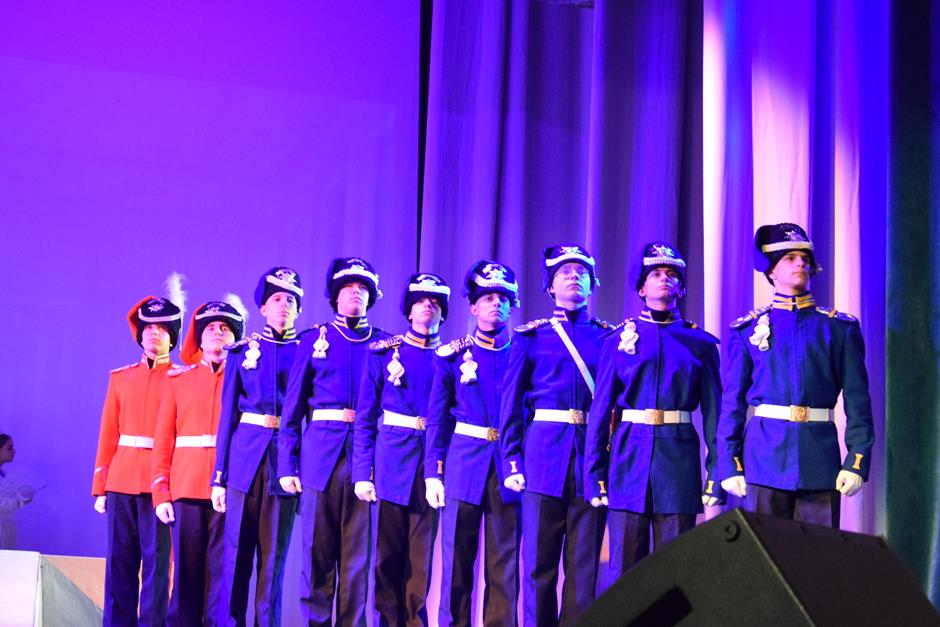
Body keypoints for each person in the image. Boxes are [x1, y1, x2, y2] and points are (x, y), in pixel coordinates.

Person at [717, 223, 874, 527]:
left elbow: (858, 403)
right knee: (763, 551)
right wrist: (729, 462)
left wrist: (857, 460)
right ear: (771, 270)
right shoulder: (747, 330)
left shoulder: (838, 328)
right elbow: (732, 403)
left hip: (820, 460)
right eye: (789, 258)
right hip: (764, 460)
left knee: (817, 553)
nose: (800, 263)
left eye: (804, 258)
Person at [584, 242, 724, 582]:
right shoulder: (617, 341)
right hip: (627, 460)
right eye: (656, 274)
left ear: (682, 288)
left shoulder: (701, 344)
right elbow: (600, 413)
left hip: (678, 464)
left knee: (677, 570)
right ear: (641, 288)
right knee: (624, 571)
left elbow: (715, 416)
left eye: (672, 274)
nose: (664, 279)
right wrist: (594, 475)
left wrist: (717, 473)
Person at [499, 244, 611, 627]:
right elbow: (511, 406)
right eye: (564, 272)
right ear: (550, 286)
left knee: (584, 570)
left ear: (593, 283)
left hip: (591, 461)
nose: (573, 277)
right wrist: (511, 460)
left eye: (581, 272)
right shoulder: (530, 338)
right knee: (538, 567)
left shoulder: (609, 338)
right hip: (542, 458)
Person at [278, 257, 389, 626]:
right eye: (348, 287)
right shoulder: (314, 340)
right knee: (316, 557)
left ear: (371, 297)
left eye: (362, 288)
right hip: (319, 458)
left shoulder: (384, 344)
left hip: (365, 460)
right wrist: (288, 464)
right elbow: (292, 409)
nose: (355, 292)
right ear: (335, 296)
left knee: (357, 562)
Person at [425, 260, 522, 627]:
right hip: (464, 463)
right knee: (456, 564)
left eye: (503, 298)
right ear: (473, 307)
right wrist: (433, 473)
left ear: (512, 306)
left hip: (508, 466)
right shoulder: (452, 356)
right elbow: (438, 419)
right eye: (488, 298)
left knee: (504, 567)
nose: (496, 304)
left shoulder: (522, 353)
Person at [352, 272, 450, 627]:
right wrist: (362, 473)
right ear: (408, 311)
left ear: (443, 314)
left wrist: (439, 470)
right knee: (386, 558)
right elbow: (365, 417)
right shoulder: (385, 354)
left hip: (432, 465)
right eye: (420, 301)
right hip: (391, 462)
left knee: (421, 562)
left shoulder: (452, 358)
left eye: (435, 303)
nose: (427, 307)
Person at [211, 267, 305, 626]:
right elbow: (227, 417)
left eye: (291, 300)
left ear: (298, 310)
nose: (284, 305)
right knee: (235, 559)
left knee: (273, 564)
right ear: (263, 308)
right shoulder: (242, 351)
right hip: (243, 463)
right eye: (277, 298)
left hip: (285, 465)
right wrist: (219, 476)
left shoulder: (307, 351)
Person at [152, 299, 246, 626]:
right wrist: (161, 492)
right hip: (187, 486)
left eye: (226, 329)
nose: (218, 333)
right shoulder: (178, 381)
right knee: (186, 576)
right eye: (211, 328)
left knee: (223, 576)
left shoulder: (245, 381)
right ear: (199, 339)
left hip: (229, 488)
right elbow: (164, 440)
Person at [92, 294, 183, 626]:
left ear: (172, 336)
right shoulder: (120, 378)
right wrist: (100, 486)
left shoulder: (182, 378)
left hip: (160, 485)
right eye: (148, 328)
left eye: (162, 329)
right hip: (121, 480)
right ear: (140, 335)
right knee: (119, 564)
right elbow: (108, 434)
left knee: (157, 566)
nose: (154, 333)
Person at [0, 433, 35, 549]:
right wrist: (18, 502)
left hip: (6, 529)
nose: (14, 451)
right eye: (9, 448)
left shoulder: (4, 474)